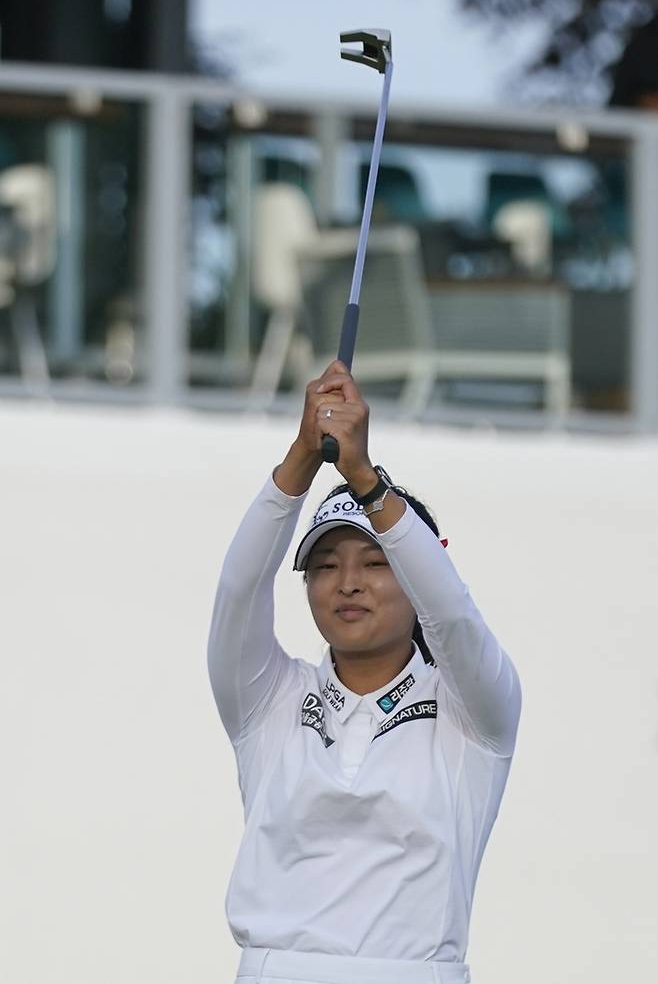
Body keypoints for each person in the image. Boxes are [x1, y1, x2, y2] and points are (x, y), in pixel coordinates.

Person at [207, 360, 522, 984]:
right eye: (325, 565)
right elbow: (239, 589)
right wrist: (303, 454)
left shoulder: (477, 713)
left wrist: (368, 485)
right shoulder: (268, 699)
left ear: (418, 569)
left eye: (375, 562)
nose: (348, 583)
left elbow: (453, 617)